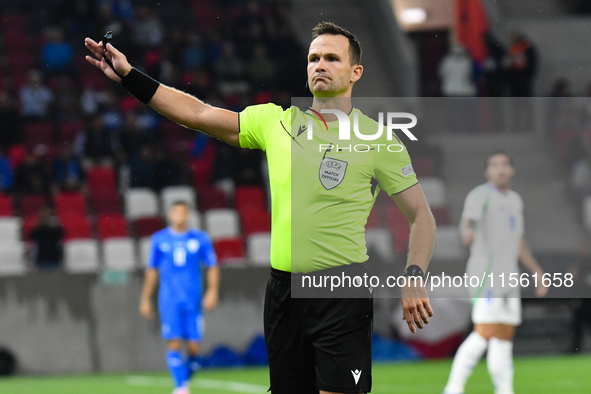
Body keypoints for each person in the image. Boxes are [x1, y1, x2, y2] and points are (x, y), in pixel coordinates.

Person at [86, 21, 435, 394]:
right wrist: (129, 77)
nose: (319, 64)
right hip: (283, 292)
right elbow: (199, 114)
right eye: (313, 57)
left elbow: (421, 217)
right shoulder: (276, 122)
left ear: (355, 73)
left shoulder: (378, 141)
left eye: (332, 58)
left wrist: (414, 273)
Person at [442, 152, 548, 394]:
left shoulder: (515, 200)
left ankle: (504, 390)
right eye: (494, 165)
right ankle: (453, 388)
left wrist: (536, 271)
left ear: (512, 170)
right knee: (485, 330)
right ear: (486, 171)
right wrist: (465, 232)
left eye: (504, 165)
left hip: (509, 275)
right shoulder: (480, 195)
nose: (499, 169)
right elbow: (467, 221)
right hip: (486, 274)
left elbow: (518, 241)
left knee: (504, 333)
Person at [139, 201, 219, 394]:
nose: (179, 216)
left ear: (188, 215)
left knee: (194, 348)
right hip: (169, 300)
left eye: (183, 213)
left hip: (193, 300)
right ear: (170, 215)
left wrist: (212, 290)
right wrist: (145, 298)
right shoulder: (159, 239)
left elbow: (212, 265)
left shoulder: (200, 239)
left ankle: (183, 381)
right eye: (175, 212)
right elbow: (152, 271)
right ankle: (181, 387)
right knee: (173, 341)